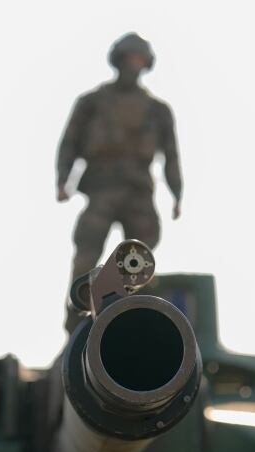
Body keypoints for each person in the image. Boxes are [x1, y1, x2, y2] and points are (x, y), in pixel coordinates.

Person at [56, 33, 184, 331]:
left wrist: (177, 194)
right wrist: (62, 180)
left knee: (141, 255)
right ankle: (79, 312)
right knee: (86, 253)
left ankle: (128, 307)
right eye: (129, 59)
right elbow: (70, 143)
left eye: (139, 60)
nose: (133, 65)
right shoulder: (92, 103)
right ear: (118, 61)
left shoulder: (157, 110)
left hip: (138, 189)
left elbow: (171, 155)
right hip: (102, 187)